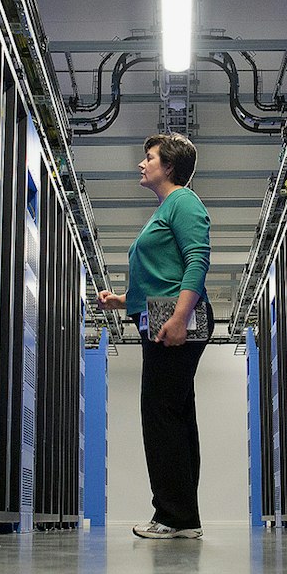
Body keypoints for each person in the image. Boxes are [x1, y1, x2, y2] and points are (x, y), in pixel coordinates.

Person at [95, 132, 211, 540]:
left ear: (169, 167)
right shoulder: (167, 208)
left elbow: (198, 261)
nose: (142, 164)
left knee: (161, 417)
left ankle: (173, 516)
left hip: (176, 318)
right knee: (173, 416)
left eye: (149, 158)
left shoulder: (183, 202)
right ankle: (183, 517)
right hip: (162, 314)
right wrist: (122, 301)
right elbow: (161, 276)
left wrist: (181, 317)